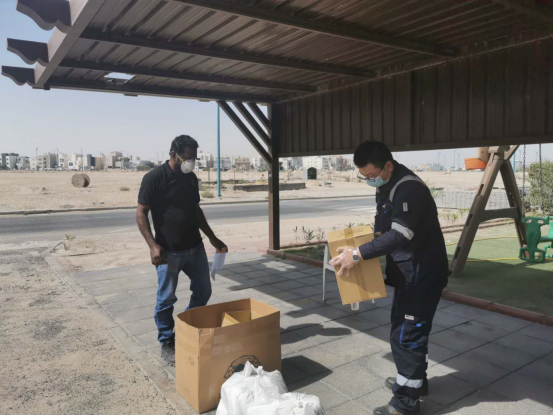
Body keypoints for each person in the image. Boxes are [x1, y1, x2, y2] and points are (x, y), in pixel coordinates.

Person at [331, 141, 449, 415]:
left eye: (372, 175)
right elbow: (383, 230)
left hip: (421, 275)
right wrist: (359, 245)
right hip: (409, 274)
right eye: (364, 177)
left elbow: (400, 235)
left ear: (387, 165)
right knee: (406, 331)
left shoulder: (408, 188)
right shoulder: (387, 185)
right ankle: (415, 383)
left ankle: (405, 403)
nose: (369, 180)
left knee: (407, 336)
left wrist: (357, 254)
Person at [136, 135, 227, 365]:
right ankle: (167, 341)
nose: (191, 163)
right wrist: (152, 245)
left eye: (194, 159)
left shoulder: (191, 178)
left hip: (195, 248)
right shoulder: (154, 178)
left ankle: (185, 329)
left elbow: (196, 210)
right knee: (166, 299)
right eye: (187, 158)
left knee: (203, 291)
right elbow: (141, 213)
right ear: (173, 154)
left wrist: (212, 238)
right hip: (168, 252)